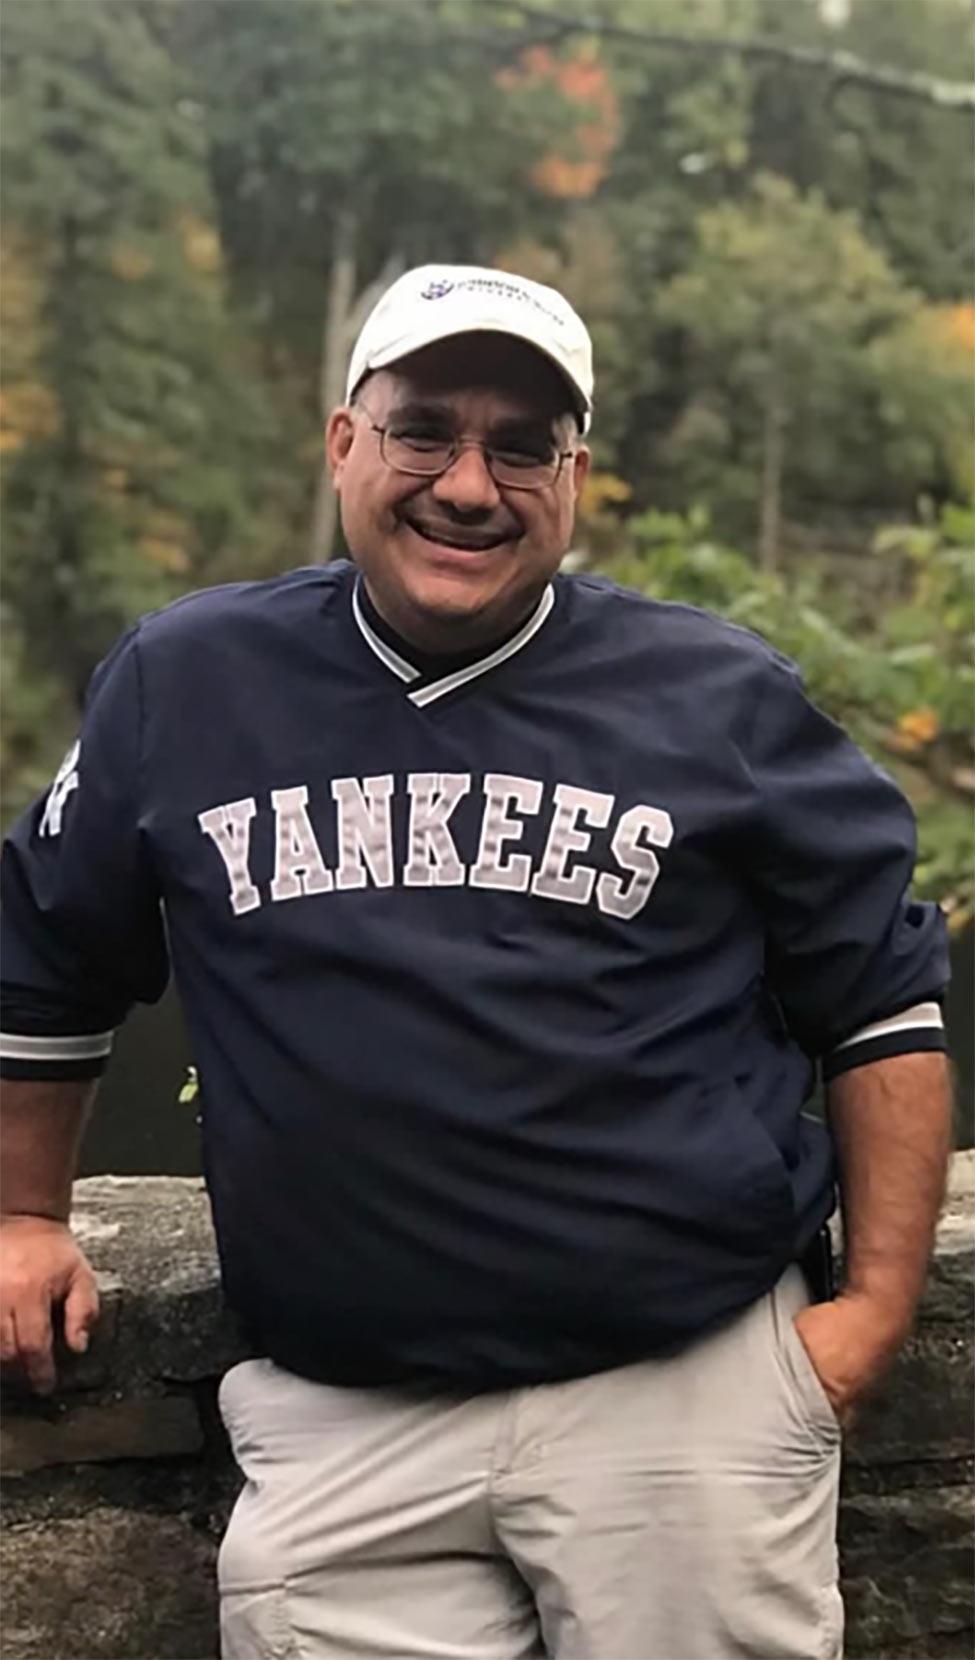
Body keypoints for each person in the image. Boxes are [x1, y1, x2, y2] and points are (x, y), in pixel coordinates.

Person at [0, 264, 952, 1660]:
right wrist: (26, 1216)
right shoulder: (188, 682)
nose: (467, 483)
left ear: (577, 475)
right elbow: (45, 965)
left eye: (522, 446)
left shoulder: (719, 695)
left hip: (679, 1402)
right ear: (344, 443)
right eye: (424, 429)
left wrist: (870, 1314)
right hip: (345, 1425)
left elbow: (882, 1003)